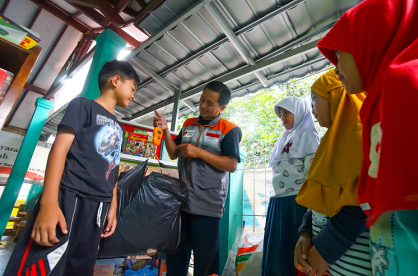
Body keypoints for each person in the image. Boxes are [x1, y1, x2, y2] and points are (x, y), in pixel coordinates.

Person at [315, 0, 418, 275]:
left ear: (375, 38)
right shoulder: (381, 100)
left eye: (340, 51)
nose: (335, 66)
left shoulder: (409, 81)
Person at [5, 60, 139, 276]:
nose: (134, 96)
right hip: (69, 197)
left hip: (99, 208)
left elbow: (112, 168)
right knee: (45, 263)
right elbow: (59, 149)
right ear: (116, 80)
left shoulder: (120, 128)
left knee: (79, 267)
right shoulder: (83, 105)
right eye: (133, 88)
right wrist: (49, 202)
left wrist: (112, 207)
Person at [153, 81, 242, 276]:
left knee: (205, 262)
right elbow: (173, 153)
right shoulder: (188, 124)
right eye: (202, 99)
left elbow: (232, 164)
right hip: (181, 203)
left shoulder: (229, 130)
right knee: (175, 257)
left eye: (210, 103)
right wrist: (166, 130)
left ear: (222, 107)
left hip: (207, 206)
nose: (202, 105)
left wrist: (200, 153)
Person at [294, 69, 370, 276]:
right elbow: (321, 196)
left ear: (336, 94)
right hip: (329, 263)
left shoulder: (364, 137)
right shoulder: (328, 143)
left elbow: (362, 204)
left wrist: (326, 249)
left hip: (354, 263)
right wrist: (306, 233)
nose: (312, 110)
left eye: (314, 100)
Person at [262, 97, 320, 276]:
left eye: (287, 112)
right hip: (277, 203)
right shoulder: (285, 138)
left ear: (300, 111)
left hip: (296, 203)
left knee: (290, 255)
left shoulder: (309, 135)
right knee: (276, 255)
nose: (282, 117)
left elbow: (312, 175)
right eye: (280, 114)